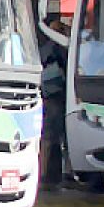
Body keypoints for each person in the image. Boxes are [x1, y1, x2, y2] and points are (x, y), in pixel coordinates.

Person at [39, 19, 69, 190]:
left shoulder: (43, 49)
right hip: (57, 96)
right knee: (53, 137)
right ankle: (57, 173)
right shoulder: (60, 48)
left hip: (48, 95)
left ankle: (46, 173)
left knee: (48, 137)